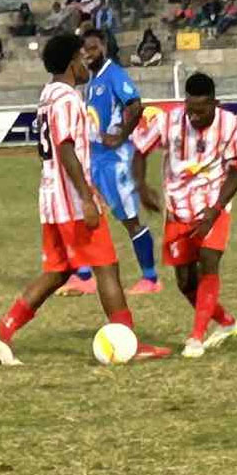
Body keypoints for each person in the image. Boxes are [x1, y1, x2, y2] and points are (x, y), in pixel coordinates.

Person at [0, 34, 171, 365]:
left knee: (58, 271)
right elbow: (66, 148)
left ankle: (3, 331)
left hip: (51, 200)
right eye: (82, 59)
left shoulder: (47, 96)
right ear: (72, 63)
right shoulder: (68, 99)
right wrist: (86, 198)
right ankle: (129, 342)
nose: (86, 65)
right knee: (107, 267)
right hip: (72, 201)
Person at [131, 72, 237, 358]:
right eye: (190, 109)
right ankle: (227, 323)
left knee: (208, 261)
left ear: (215, 103)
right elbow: (139, 151)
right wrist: (141, 187)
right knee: (185, 282)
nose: (194, 116)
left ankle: (196, 338)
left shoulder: (230, 124)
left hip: (212, 205)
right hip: (178, 209)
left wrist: (216, 210)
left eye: (201, 111)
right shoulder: (168, 122)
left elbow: (235, 172)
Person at [55, 29, 163, 296]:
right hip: (95, 159)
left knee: (129, 219)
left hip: (115, 161)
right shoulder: (91, 80)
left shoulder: (114, 74)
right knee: (85, 212)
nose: (88, 54)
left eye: (93, 48)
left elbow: (135, 105)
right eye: (84, 50)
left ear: (103, 47)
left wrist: (121, 136)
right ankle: (84, 276)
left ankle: (150, 278)